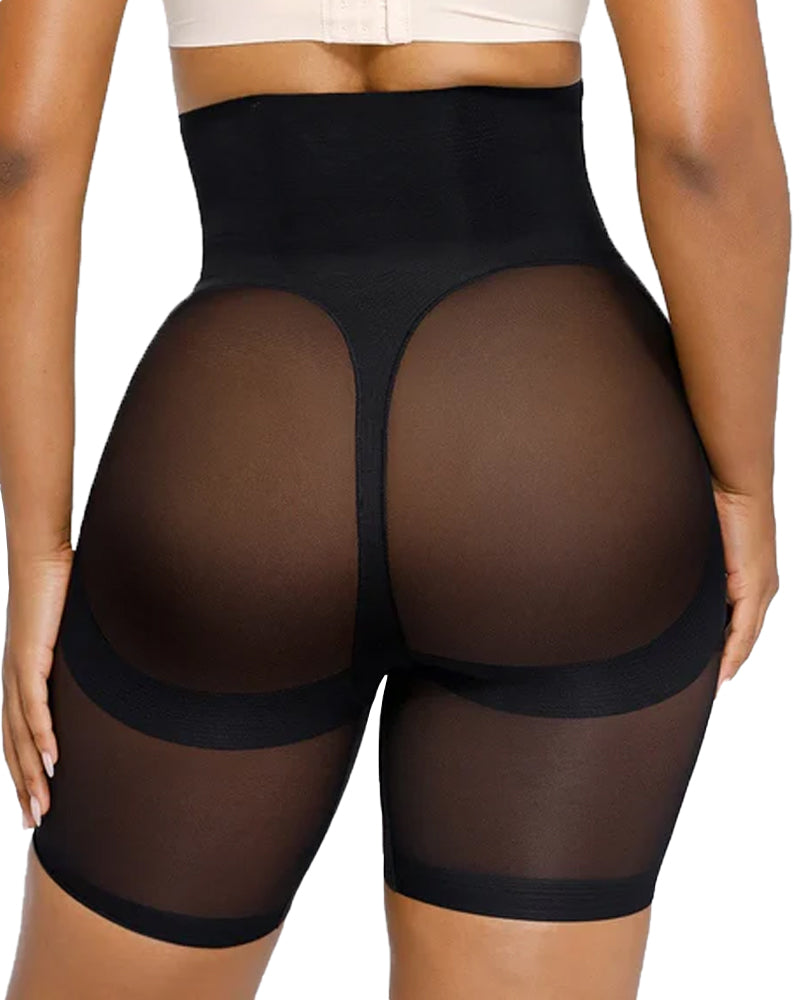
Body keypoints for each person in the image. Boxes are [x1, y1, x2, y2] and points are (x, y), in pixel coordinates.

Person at [0, 0, 788, 997]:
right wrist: (743, 481)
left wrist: (36, 550)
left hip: (240, 446)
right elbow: (702, 144)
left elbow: (20, 155)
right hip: (558, 439)